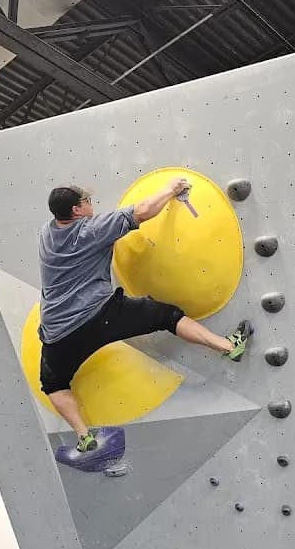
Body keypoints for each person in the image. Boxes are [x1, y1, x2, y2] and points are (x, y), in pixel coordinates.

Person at [38, 178, 253, 454]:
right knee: (166, 316)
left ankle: (83, 436)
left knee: (53, 383)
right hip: (99, 315)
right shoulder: (93, 229)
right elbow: (142, 211)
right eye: (86, 201)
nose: (91, 203)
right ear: (77, 211)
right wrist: (171, 189)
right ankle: (228, 346)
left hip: (56, 331)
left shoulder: (47, 234)